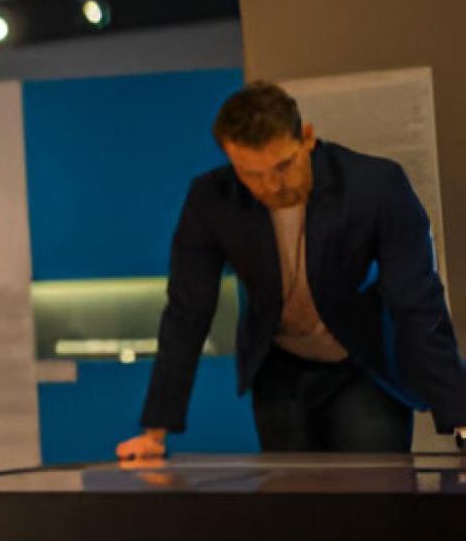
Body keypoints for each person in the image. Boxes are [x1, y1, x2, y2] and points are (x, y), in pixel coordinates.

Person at [118, 81, 466, 461]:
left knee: (374, 488)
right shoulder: (212, 201)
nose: (271, 186)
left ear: (307, 138)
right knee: (292, 493)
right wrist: (155, 432)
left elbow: (416, 301)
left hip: (361, 360)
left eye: (283, 166)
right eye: (251, 174)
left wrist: (460, 416)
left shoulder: (374, 186)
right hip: (279, 367)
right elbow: (188, 311)